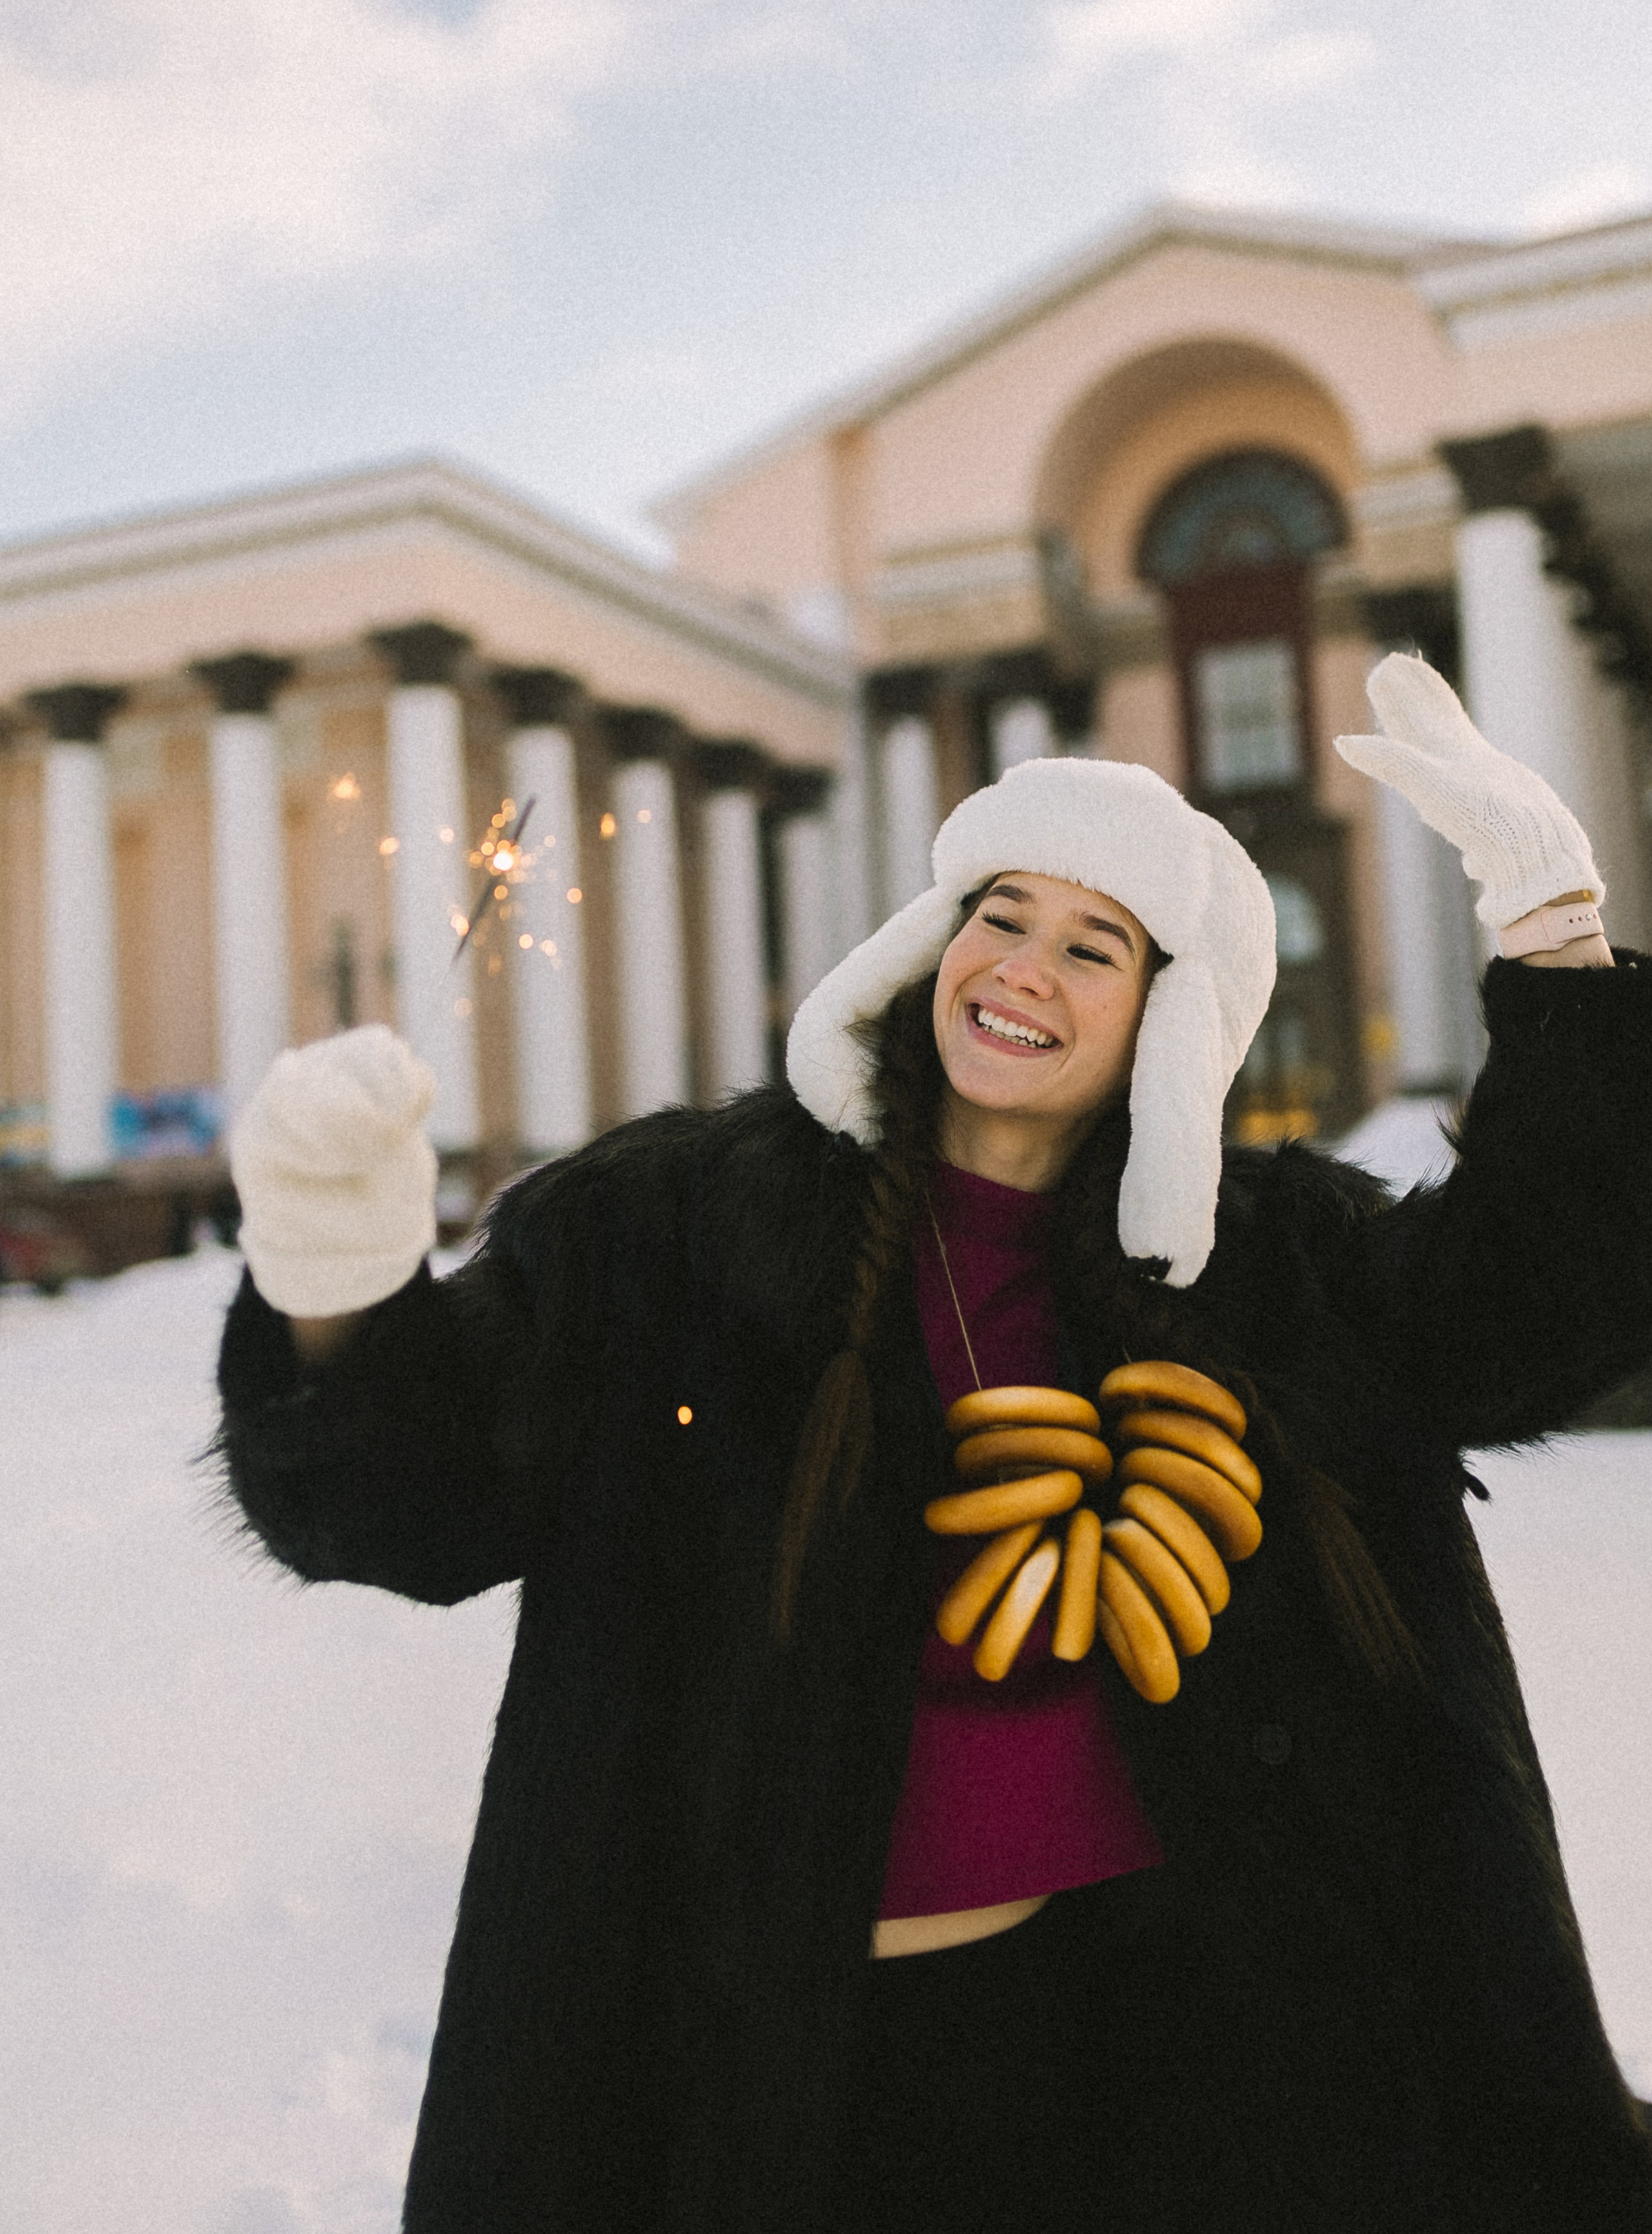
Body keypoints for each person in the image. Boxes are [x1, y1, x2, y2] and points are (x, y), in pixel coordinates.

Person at [214, 656, 1652, 2233]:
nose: (1022, 968)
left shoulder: (1267, 1266)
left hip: (1199, 2038)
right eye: (999, 915)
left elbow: (1531, 1309)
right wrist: (335, 1289)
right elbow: (403, 1511)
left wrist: (1553, 934)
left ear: (1169, 1018)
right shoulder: (672, 1233)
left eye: (1092, 943)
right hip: (800, 2064)